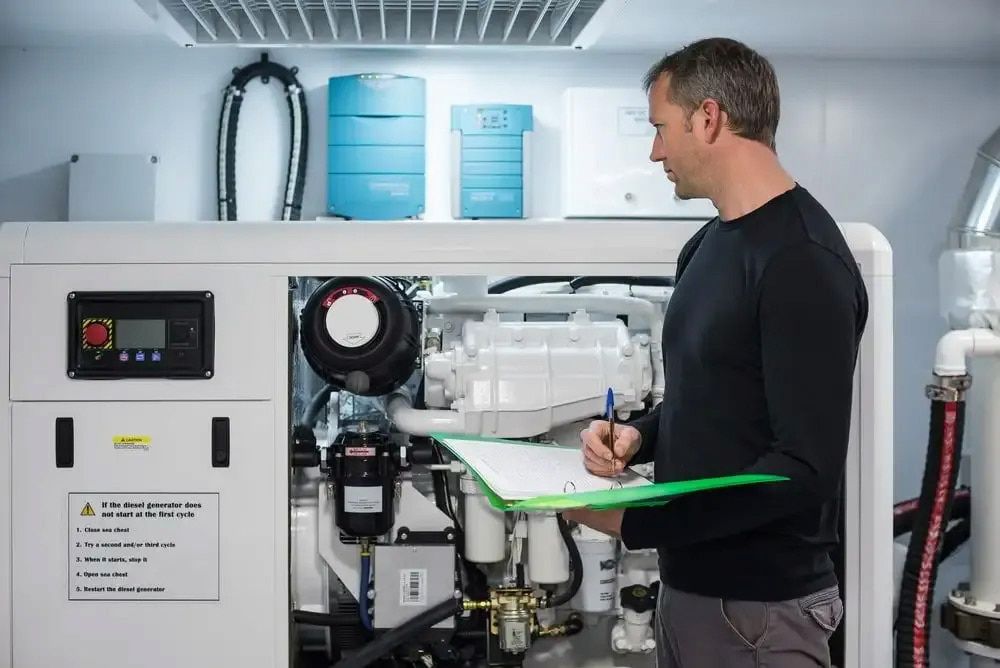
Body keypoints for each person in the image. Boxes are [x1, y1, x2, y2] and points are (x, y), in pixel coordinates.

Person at [563, 37, 869, 667]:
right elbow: (716, 398)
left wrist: (635, 523)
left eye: (661, 129)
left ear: (709, 118)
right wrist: (639, 438)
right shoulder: (707, 245)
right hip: (694, 592)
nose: (655, 152)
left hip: (761, 613)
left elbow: (803, 469)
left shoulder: (801, 261)